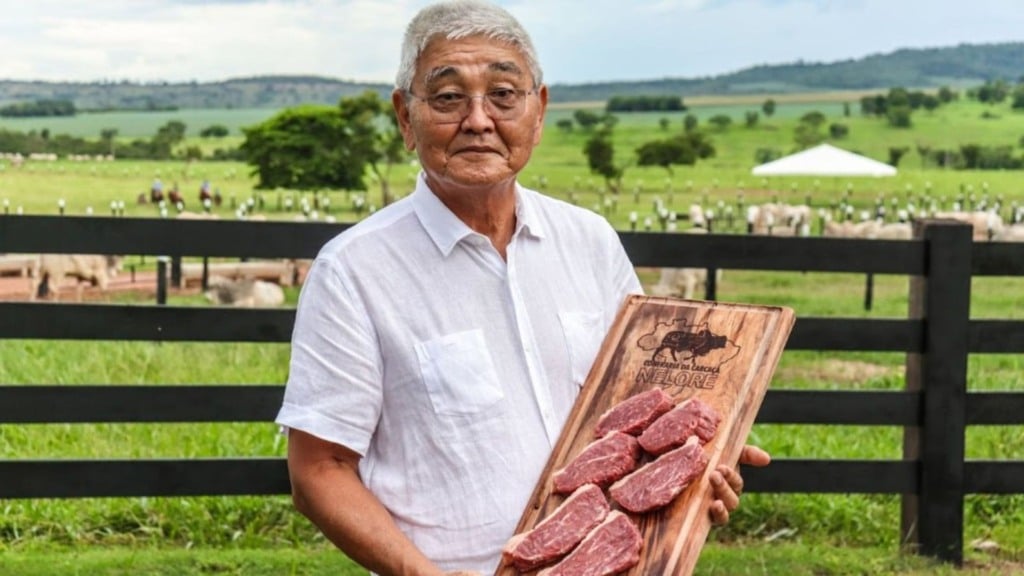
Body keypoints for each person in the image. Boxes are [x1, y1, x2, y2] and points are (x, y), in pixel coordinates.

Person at [275, 1, 770, 574]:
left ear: (539, 110)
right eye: (447, 97)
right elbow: (319, 471)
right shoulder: (354, 271)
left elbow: (643, 411)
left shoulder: (590, 242)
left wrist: (698, 467)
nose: (479, 119)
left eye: (504, 95)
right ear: (405, 119)